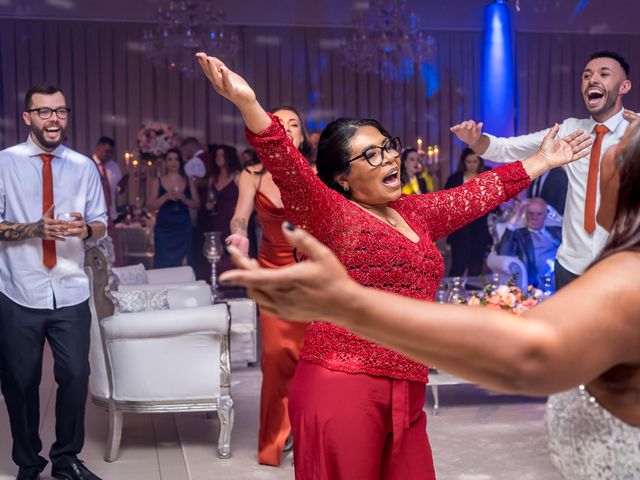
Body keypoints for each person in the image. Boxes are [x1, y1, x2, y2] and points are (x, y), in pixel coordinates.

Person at [197, 52, 592, 480]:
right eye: (370, 156)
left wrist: (542, 161)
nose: (389, 159)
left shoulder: (414, 212)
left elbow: (477, 194)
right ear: (342, 178)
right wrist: (248, 104)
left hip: (407, 383)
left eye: (388, 147)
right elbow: (287, 166)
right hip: (342, 381)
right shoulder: (330, 212)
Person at [451, 50, 637, 289]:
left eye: (604, 74)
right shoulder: (571, 129)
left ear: (624, 86)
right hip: (570, 264)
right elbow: (507, 148)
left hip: (621, 264)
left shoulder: (637, 132)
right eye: (586, 75)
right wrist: (475, 140)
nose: (592, 80)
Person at [0, 83, 107, 480]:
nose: (54, 119)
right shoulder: (5, 163)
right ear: (27, 117)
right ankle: (29, 462)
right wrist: (34, 228)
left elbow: (102, 224)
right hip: (18, 290)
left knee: (77, 374)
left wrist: (86, 231)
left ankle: (67, 459)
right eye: (44, 112)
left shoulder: (83, 166)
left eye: (60, 111)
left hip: (71, 289)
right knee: (20, 381)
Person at [226, 105, 313, 466]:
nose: (288, 128)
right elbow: (240, 216)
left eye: (295, 123)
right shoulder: (252, 174)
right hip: (272, 273)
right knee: (277, 356)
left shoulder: (319, 173)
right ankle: (277, 435)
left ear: (303, 135)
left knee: (313, 357)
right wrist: (238, 235)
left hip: (311, 275)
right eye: (279, 123)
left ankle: (308, 430)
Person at [444, 147, 492, 277]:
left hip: (479, 229)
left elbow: (495, 200)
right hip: (459, 230)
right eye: (468, 162)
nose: (472, 165)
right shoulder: (454, 179)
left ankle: (474, 297)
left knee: (476, 269)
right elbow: (446, 203)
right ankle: (453, 296)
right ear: (463, 162)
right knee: (457, 267)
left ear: (480, 162)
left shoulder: (486, 177)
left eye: (475, 161)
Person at [148, 148, 199, 268]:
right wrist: (165, 197)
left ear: (180, 162)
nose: (173, 163)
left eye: (176, 159)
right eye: (170, 159)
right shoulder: (158, 181)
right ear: (165, 162)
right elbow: (150, 206)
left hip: (182, 226)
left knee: (184, 263)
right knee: (163, 262)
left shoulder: (188, 181)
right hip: (164, 227)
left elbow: (197, 204)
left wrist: (184, 199)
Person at [497, 198, 562, 289]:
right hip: (538, 281)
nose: (534, 217)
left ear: (546, 215)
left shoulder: (557, 231)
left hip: (561, 275)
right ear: (525, 215)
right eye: (531, 213)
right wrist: (515, 218)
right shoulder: (519, 235)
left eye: (539, 214)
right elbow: (504, 252)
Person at [204, 144, 242, 274]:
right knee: (217, 253)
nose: (218, 158)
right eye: (217, 155)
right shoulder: (213, 178)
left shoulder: (237, 176)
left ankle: (234, 288)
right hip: (216, 220)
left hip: (232, 219)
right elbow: (209, 199)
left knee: (232, 253)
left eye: (222, 155)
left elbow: (248, 198)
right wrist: (208, 205)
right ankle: (218, 284)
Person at [181, 137, 212, 279]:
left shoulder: (195, 162)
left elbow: (193, 183)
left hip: (199, 207)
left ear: (188, 147)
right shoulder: (207, 157)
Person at [91, 136, 121, 265]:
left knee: (113, 249)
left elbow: (116, 190)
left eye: (111, 152)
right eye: (106, 151)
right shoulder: (88, 164)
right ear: (98, 147)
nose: (109, 155)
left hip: (111, 213)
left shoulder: (113, 167)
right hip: (96, 215)